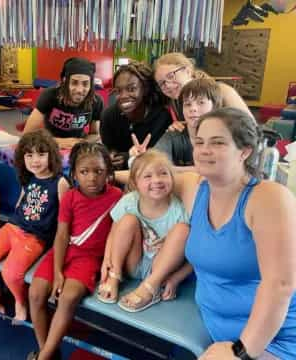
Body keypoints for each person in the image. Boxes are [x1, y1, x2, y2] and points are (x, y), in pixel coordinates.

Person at [120, 108, 296, 359]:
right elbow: (149, 176)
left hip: (272, 337)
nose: (204, 150)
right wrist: (119, 167)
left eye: (218, 143)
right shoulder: (194, 187)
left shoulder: (268, 198)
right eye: (199, 142)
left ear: (244, 151)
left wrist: (241, 351)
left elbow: (280, 285)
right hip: (220, 329)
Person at [27, 142, 122, 360]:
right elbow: (61, 236)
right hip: (63, 251)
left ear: (107, 172)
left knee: (68, 298)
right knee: (35, 293)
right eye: (84, 172)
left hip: (89, 258)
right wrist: (58, 272)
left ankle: (43, 357)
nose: (92, 178)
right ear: (75, 174)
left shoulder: (117, 196)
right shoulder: (70, 196)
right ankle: (48, 352)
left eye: (98, 171)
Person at [0, 129, 70, 322]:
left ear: (51, 155)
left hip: (35, 236)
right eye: (29, 155)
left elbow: (65, 217)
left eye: (41, 154)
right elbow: (21, 201)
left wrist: (59, 244)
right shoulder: (28, 177)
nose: (35, 160)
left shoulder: (59, 182)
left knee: (11, 273)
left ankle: (20, 301)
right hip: (13, 227)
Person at [97, 150, 191, 311]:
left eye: (163, 173)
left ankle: (150, 287)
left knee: (183, 230)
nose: (157, 180)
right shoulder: (129, 201)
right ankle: (115, 276)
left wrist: (176, 278)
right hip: (132, 263)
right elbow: (114, 233)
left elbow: (194, 253)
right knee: (127, 220)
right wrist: (108, 260)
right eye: (147, 176)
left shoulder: (179, 210)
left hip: (161, 271)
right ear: (135, 182)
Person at [128, 78, 223, 170]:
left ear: (215, 107)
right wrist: (141, 158)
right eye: (187, 104)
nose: (193, 108)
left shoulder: (226, 135)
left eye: (201, 102)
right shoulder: (173, 134)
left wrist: (172, 169)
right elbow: (157, 165)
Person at [153, 52, 253, 129]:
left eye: (171, 76)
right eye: (162, 83)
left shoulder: (222, 91)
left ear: (188, 71)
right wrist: (181, 129)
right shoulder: (174, 105)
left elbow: (250, 128)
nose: (168, 85)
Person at [100, 61, 172, 169]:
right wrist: (111, 155)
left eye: (132, 89)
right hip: (119, 174)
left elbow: (160, 156)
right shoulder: (108, 116)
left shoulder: (161, 117)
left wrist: (128, 157)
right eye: (118, 91)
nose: (123, 96)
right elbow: (109, 147)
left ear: (145, 89)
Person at [23, 57, 104, 149]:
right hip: (49, 144)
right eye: (74, 83)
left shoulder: (96, 101)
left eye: (85, 84)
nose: (80, 90)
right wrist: (60, 142)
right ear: (65, 81)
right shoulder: (50, 96)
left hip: (77, 147)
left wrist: (81, 144)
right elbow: (26, 135)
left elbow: (95, 134)